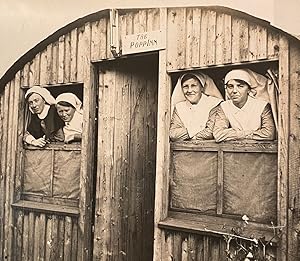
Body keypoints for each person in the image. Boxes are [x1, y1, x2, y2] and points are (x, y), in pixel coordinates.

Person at [213, 69, 276, 142]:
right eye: (230, 86)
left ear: (249, 90)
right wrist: (249, 133)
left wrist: (233, 134)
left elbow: (269, 134)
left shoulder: (262, 106)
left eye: (240, 86)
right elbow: (218, 134)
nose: (234, 91)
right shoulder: (224, 106)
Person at [170, 72, 223, 141]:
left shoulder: (214, 103)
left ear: (201, 88)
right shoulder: (179, 107)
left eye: (193, 85)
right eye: (185, 86)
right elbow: (173, 134)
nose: (189, 90)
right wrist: (200, 128)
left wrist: (187, 135)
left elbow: (210, 132)